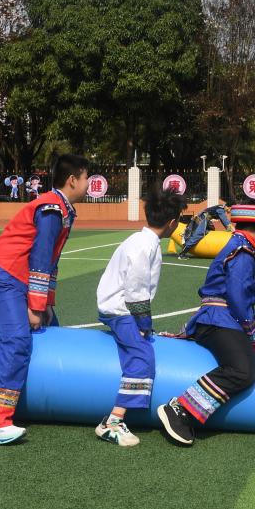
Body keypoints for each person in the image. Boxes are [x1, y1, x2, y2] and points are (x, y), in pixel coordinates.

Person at [0, 154, 90, 445]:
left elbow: (51, 261)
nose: (89, 183)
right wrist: (36, 307)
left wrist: (47, 303)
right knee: (16, 339)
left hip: (21, 278)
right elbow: (40, 257)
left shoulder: (62, 207)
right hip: (4, 276)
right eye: (86, 177)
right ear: (72, 180)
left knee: (52, 332)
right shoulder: (51, 208)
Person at [157, 202, 255, 446]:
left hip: (219, 318)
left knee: (243, 364)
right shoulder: (243, 252)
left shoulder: (239, 245)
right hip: (219, 320)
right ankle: (180, 409)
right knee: (242, 371)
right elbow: (237, 297)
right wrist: (251, 333)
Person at [93, 187, 185, 446]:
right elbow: (135, 288)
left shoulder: (141, 240)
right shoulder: (145, 245)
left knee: (140, 347)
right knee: (142, 355)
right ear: (172, 223)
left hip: (119, 307)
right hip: (120, 310)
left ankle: (117, 418)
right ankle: (113, 421)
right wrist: (143, 324)